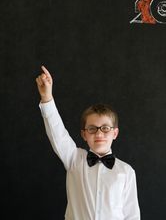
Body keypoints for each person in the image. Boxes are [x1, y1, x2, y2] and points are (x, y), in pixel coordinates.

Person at [36, 65, 140, 220]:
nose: (99, 133)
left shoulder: (126, 171)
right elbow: (58, 134)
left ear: (115, 133)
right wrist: (47, 98)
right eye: (92, 128)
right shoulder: (74, 159)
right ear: (84, 134)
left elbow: (132, 215)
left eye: (105, 128)